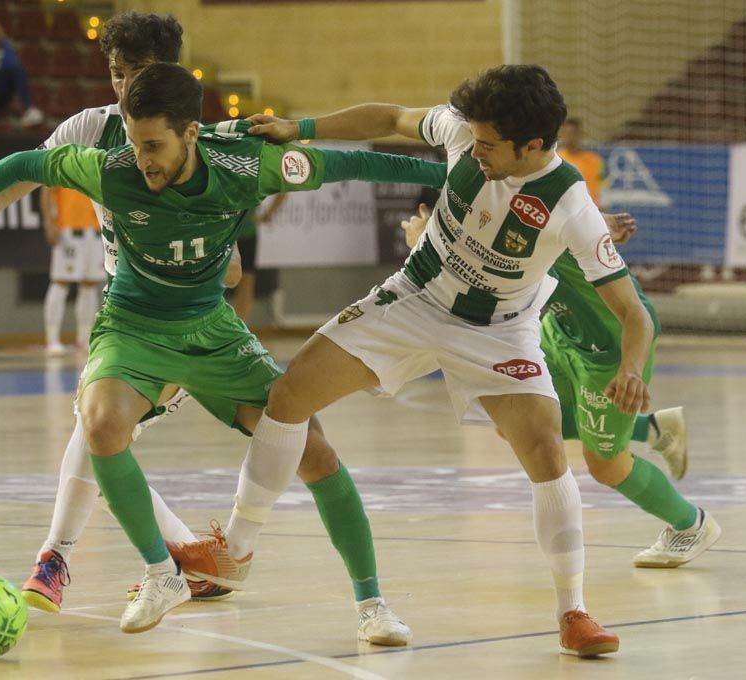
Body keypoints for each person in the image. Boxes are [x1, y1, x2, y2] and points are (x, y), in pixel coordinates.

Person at [0, 63, 445, 640]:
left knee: (315, 452)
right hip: (133, 327)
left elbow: (353, 163)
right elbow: (25, 164)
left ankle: (372, 605)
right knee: (101, 425)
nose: (143, 159)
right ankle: (163, 573)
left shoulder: (249, 165)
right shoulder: (112, 170)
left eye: (153, 145)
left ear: (190, 133)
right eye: (134, 143)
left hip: (212, 329)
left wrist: (453, 176)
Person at [222, 64, 654, 657]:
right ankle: (234, 549)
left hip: (499, 332)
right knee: (289, 396)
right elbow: (390, 116)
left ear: (533, 145)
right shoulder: (465, 136)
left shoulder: (572, 207)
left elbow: (635, 313)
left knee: (547, 449)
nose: (474, 150)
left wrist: (631, 370)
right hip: (414, 298)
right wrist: (301, 126)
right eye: (472, 138)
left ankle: (573, 612)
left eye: (489, 145)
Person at [0, 13, 240, 615]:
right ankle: (194, 559)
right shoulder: (90, 127)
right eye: (116, 73)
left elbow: (233, 271)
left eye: (137, 74)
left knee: (98, 432)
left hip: (184, 318)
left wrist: (174, 247)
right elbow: (12, 182)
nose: (123, 89)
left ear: (169, 74)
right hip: (126, 315)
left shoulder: (197, 141)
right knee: (103, 437)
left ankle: (55, 557)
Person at [400, 205, 719, 568]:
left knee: (606, 467)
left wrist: (426, 244)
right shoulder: (498, 190)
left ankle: (690, 524)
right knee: (519, 421)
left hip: (610, 347)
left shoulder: (529, 189)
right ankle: (656, 430)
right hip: (560, 328)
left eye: (489, 145)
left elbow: (552, 207)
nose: (482, 153)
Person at [40, 186, 106, 354]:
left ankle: (84, 339)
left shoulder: (100, 159)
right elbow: (47, 190)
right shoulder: (63, 159)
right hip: (68, 228)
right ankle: (52, 338)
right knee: (61, 281)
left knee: (90, 284)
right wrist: (49, 222)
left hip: (96, 228)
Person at [231, 193, 285, 324]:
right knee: (244, 281)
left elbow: (283, 189)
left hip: (243, 232)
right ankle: (238, 327)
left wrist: (268, 214)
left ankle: (240, 327)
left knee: (246, 281)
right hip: (227, 232)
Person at [557, 118, 604, 208]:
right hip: (565, 211)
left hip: (590, 210)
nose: (570, 138)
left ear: (580, 135)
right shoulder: (556, 159)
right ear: (562, 135)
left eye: (574, 134)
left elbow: (601, 187)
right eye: (567, 134)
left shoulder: (594, 160)